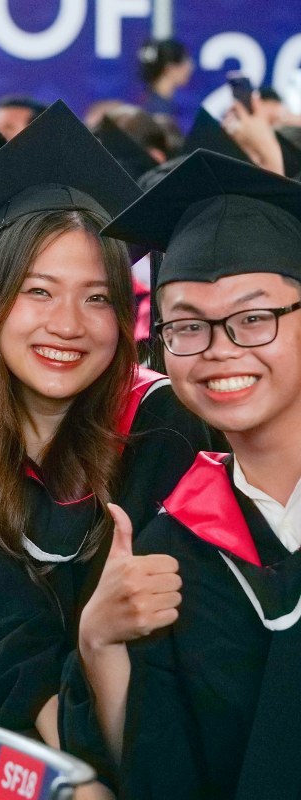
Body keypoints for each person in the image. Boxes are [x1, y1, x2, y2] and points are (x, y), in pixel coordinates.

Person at [0, 102, 213, 752]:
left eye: (97, 297)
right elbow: (3, 670)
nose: (68, 325)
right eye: (38, 291)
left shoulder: (166, 427)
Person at [72, 149, 301, 799]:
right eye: (187, 327)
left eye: (254, 318)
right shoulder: (175, 546)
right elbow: (157, 775)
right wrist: (100, 643)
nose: (220, 349)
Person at [137, 38, 193, 118]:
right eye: (184, 61)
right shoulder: (160, 112)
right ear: (169, 68)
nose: (190, 67)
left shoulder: (155, 104)